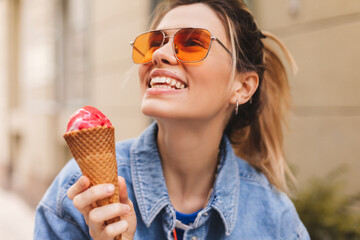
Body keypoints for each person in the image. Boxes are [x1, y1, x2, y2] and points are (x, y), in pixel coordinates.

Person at [34, 0, 310, 239]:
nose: (159, 54)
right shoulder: (78, 194)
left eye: (191, 43)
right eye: (153, 43)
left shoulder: (275, 220)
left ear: (243, 87)